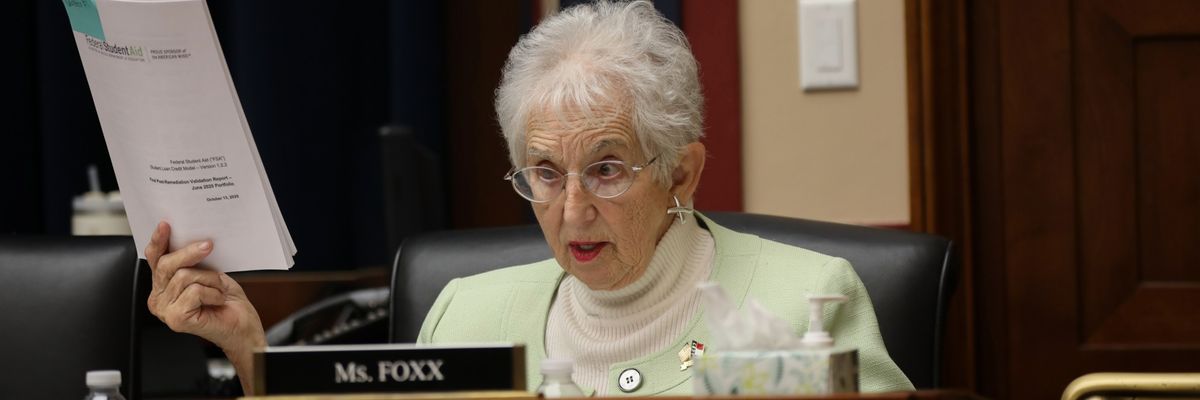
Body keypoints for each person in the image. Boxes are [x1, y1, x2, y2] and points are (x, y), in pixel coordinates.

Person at [146, 0, 914, 396]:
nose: (571, 211)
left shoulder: (805, 298)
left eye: (607, 169)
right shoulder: (467, 314)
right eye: (545, 173)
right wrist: (250, 347)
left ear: (682, 172)